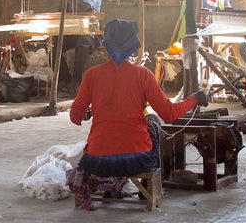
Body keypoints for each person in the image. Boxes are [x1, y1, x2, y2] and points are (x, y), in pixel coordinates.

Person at [66, 19, 208, 210]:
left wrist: (89, 114)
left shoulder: (92, 75)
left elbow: (75, 117)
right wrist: (195, 99)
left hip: (96, 161)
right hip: (137, 160)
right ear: (133, 45)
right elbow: (169, 113)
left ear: (106, 44)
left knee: (108, 136)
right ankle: (145, 191)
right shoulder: (143, 75)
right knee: (153, 121)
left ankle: (112, 188)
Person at [57, 0, 102, 95]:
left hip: (90, 30)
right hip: (70, 31)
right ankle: (65, 78)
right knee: (52, 44)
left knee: (83, 42)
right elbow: (60, 11)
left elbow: (85, 8)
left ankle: (77, 80)